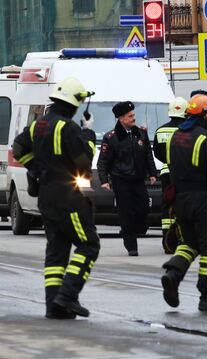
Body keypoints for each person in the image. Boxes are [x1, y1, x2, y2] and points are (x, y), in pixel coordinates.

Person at [12, 77, 98, 318]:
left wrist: (36, 169)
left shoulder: (38, 124)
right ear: (73, 102)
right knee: (89, 245)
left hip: (46, 197)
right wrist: (88, 133)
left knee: (57, 251)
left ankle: (54, 306)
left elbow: (18, 149)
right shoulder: (69, 128)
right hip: (68, 197)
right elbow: (83, 164)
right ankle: (68, 296)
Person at [159, 94, 207, 311]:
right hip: (204, 200)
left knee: (188, 243)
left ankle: (173, 274)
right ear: (204, 115)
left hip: (180, 199)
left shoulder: (175, 137)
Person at [97, 101, 157, 256]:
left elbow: (148, 156)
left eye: (133, 115)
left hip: (138, 179)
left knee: (143, 208)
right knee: (126, 212)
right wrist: (104, 180)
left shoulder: (141, 133)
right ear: (121, 118)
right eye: (130, 116)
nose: (133, 118)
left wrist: (152, 174)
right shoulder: (111, 137)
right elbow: (102, 161)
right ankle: (131, 245)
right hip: (121, 180)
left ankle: (129, 230)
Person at [153, 97, 188, 254]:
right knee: (184, 204)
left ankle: (167, 240)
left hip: (167, 172)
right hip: (185, 173)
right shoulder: (188, 130)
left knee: (166, 204)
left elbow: (157, 153)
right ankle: (184, 238)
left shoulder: (160, 131)